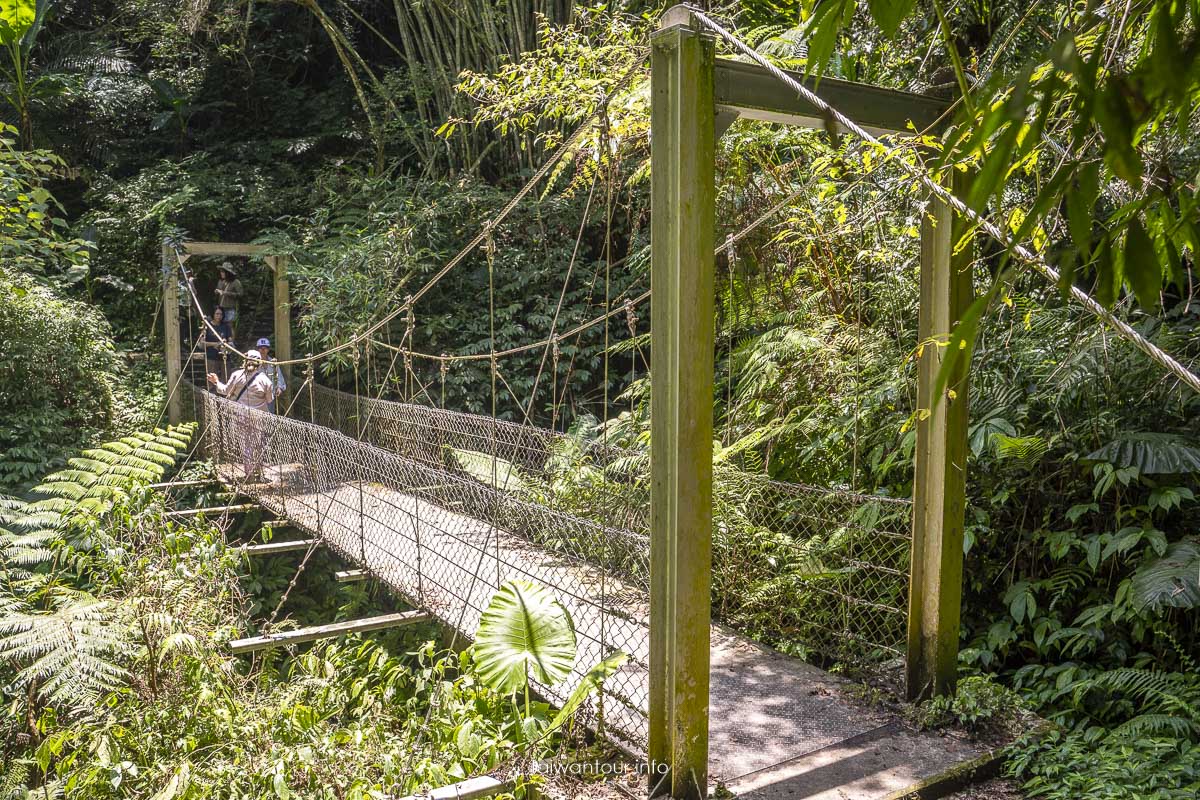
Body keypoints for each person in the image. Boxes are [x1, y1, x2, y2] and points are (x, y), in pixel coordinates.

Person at [207, 349, 275, 480]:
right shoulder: (265, 380)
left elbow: (224, 390)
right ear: (259, 363)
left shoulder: (237, 375)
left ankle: (248, 473)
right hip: (259, 416)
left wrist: (216, 382)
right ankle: (259, 471)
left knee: (246, 444)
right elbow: (269, 399)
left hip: (240, 415)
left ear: (245, 361)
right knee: (259, 443)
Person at [255, 336, 287, 412]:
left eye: (265, 348)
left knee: (269, 418)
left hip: (270, 396)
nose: (262, 350)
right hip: (256, 397)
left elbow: (279, 377)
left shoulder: (273, 363)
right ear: (257, 349)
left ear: (268, 349)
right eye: (260, 348)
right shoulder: (253, 364)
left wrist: (279, 387)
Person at [202, 307, 234, 381]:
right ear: (213, 314)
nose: (219, 316)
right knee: (211, 379)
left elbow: (230, 341)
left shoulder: (226, 326)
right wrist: (215, 344)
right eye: (217, 314)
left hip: (224, 356)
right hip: (211, 357)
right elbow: (202, 343)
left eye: (221, 314)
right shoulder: (207, 326)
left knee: (226, 379)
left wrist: (226, 343)